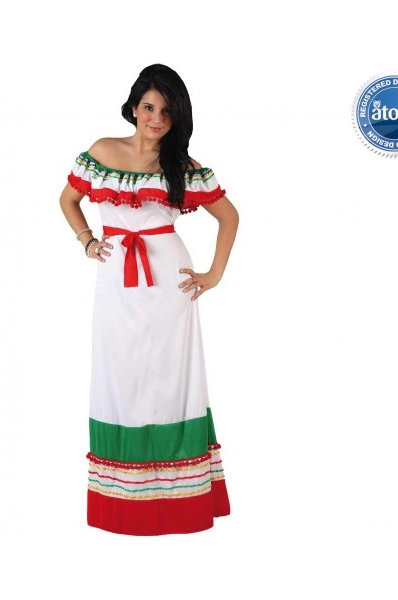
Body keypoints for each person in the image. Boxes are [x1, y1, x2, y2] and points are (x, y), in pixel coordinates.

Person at [59, 63, 239, 535]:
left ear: (177, 116)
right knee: (120, 377)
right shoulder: (102, 151)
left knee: (169, 380)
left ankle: (180, 500)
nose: (156, 118)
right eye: (149, 107)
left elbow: (230, 217)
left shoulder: (182, 166)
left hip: (168, 285)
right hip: (115, 280)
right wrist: (87, 241)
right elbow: (67, 200)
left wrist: (214, 274)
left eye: (166, 111)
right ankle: (124, 502)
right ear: (134, 107)